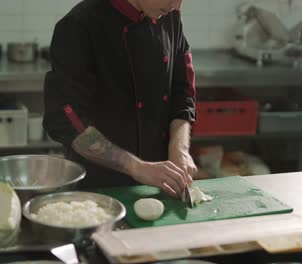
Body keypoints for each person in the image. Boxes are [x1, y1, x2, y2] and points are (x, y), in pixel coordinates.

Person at [43, 0, 197, 198]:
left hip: (162, 184)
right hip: (99, 189)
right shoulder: (79, 25)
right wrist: (137, 167)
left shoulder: (169, 16)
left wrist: (180, 148)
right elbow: (68, 120)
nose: (177, 6)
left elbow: (183, 91)